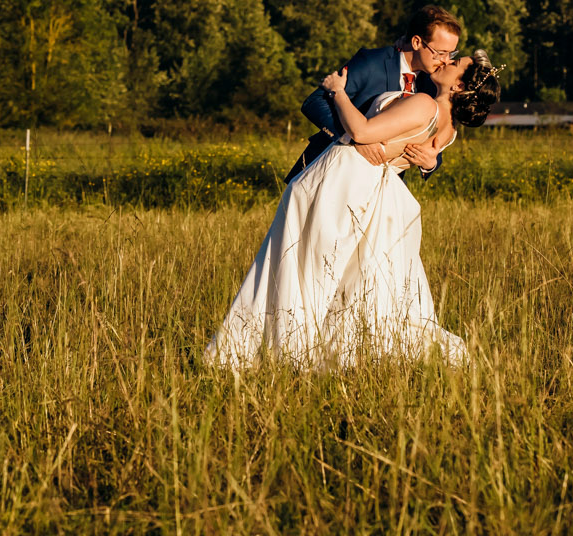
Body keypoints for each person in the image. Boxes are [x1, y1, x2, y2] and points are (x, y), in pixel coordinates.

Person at [205, 45, 502, 369]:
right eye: (447, 53)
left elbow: (360, 131)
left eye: (454, 62)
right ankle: (286, 348)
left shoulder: (424, 103)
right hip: (364, 186)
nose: (447, 60)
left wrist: (337, 92)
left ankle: (269, 352)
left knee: (296, 265)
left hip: (340, 177)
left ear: (458, 86)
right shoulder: (450, 129)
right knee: (312, 269)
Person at [285, 6, 466, 182]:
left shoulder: (432, 84)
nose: (445, 61)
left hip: (380, 188)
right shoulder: (373, 62)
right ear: (417, 42)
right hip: (327, 171)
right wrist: (353, 139)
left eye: (451, 54)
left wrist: (431, 163)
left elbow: (433, 133)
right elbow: (314, 103)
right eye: (441, 53)